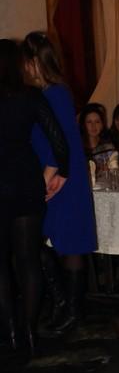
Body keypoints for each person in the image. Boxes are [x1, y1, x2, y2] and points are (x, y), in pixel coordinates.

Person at [22, 32, 97, 334]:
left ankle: (72, 312)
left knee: (69, 243)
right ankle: (62, 304)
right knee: (41, 242)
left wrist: (49, 179)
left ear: (34, 62)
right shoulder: (44, 93)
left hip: (64, 177)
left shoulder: (56, 93)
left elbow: (61, 143)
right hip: (54, 174)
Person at [0, 38, 69, 352]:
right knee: (28, 260)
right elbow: (59, 142)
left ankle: (11, 332)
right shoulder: (30, 96)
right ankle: (29, 330)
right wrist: (61, 173)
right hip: (26, 181)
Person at [79, 103, 118, 173]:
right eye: (89, 122)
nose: (93, 126)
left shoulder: (108, 147)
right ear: (83, 125)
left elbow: (115, 169)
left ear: (102, 125)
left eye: (97, 122)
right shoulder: (77, 148)